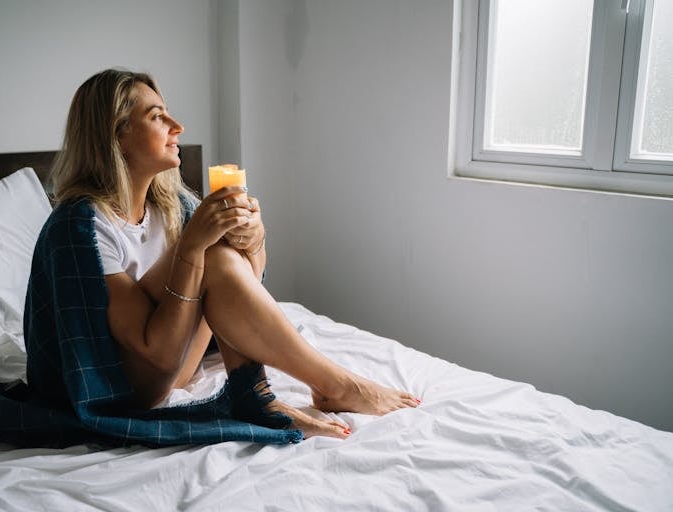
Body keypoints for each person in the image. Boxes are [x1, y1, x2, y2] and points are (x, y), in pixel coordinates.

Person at [33, 68, 420, 442]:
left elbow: (242, 288)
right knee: (210, 249)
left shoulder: (173, 204)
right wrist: (193, 247)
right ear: (117, 135)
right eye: (157, 116)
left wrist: (253, 240)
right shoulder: (80, 225)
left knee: (218, 246)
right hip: (129, 385)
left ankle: (260, 394)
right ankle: (334, 384)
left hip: (177, 364)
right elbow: (157, 354)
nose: (177, 126)